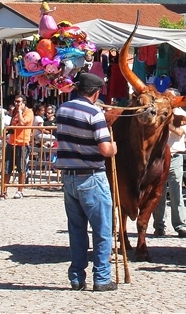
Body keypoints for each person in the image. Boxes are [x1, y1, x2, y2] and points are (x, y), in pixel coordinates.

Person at [54, 72, 118, 291]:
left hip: (69, 176)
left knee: (77, 229)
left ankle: (76, 276)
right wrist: (113, 148)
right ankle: (101, 278)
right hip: (91, 176)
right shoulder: (95, 113)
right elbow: (104, 149)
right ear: (97, 92)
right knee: (102, 229)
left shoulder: (62, 109)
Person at [154, 90, 186, 238]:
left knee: (176, 192)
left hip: (175, 156)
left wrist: (166, 121)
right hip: (159, 156)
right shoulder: (159, 111)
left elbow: (181, 132)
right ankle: (159, 225)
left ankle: (180, 225)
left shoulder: (183, 114)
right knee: (158, 193)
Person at [0, 95, 34, 200]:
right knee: (7, 167)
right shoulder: (14, 111)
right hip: (11, 142)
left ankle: (20, 191)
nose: (16, 104)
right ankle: (4, 190)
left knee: (21, 168)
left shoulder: (29, 112)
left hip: (22, 143)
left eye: (19, 102)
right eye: (15, 101)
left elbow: (23, 123)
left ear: (24, 102)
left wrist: (19, 112)